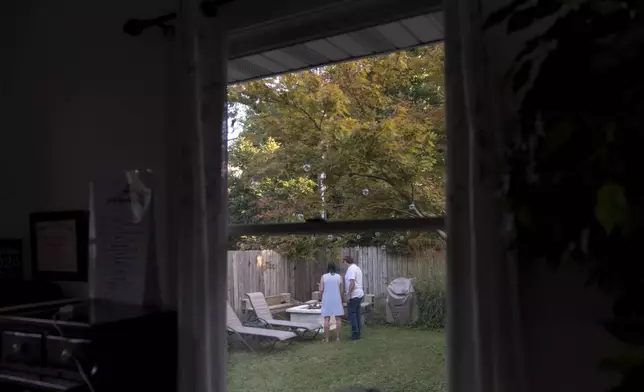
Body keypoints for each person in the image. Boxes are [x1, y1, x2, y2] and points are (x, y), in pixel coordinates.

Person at [320, 262, 344, 342]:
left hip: (327, 299)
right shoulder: (339, 277)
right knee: (338, 319)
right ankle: (337, 338)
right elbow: (341, 290)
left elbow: (321, 290)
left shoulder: (323, 277)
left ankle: (326, 339)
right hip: (336, 299)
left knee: (326, 319)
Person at [342, 256, 364, 340]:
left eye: (343, 262)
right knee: (357, 314)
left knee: (352, 315)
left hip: (354, 295)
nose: (343, 264)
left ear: (346, 261)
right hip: (359, 294)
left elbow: (352, 283)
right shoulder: (357, 268)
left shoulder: (351, 269)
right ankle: (358, 332)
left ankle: (355, 334)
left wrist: (348, 295)